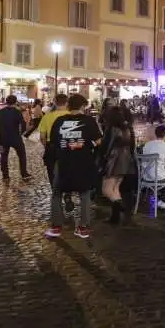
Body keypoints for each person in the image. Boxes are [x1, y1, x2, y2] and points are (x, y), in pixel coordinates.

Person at [45, 94, 102, 239]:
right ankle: (83, 227)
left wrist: (67, 146)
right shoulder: (89, 121)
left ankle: (56, 226)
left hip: (63, 161)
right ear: (83, 106)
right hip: (83, 161)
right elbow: (99, 141)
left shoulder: (59, 120)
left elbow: (53, 142)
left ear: (69, 105)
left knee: (57, 193)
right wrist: (86, 145)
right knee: (84, 193)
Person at [97, 106, 137, 225]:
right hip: (126, 160)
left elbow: (106, 146)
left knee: (106, 189)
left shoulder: (112, 129)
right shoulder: (128, 128)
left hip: (113, 159)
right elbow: (132, 145)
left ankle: (120, 206)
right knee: (115, 189)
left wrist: (101, 160)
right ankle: (115, 217)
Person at [0, 95, 32, 183]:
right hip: (15, 137)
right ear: (15, 102)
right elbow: (22, 124)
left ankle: (5, 176)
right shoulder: (17, 112)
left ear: (6, 102)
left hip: (3, 138)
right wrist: (21, 133)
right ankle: (24, 173)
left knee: (4, 156)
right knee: (22, 155)